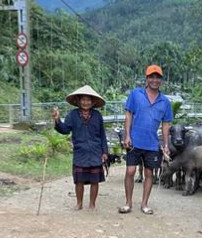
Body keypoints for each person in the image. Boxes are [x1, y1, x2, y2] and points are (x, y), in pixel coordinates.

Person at [119, 64, 173, 215]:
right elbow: (129, 114)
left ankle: (144, 204)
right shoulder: (136, 94)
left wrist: (166, 145)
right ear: (147, 78)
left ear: (161, 80)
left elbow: (166, 124)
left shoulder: (165, 102)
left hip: (152, 143)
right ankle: (128, 203)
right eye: (152, 77)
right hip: (135, 141)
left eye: (157, 77)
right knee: (130, 171)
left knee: (149, 173)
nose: (154, 80)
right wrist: (127, 135)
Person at [51, 85, 109, 210]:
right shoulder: (72, 115)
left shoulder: (97, 116)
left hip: (95, 152)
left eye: (88, 100)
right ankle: (79, 203)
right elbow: (65, 130)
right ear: (78, 101)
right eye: (83, 99)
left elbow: (102, 135)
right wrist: (57, 121)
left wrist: (105, 151)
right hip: (80, 152)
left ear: (93, 102)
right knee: (79, 180)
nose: (85, 102)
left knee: (95, 180)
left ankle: (92, 204)